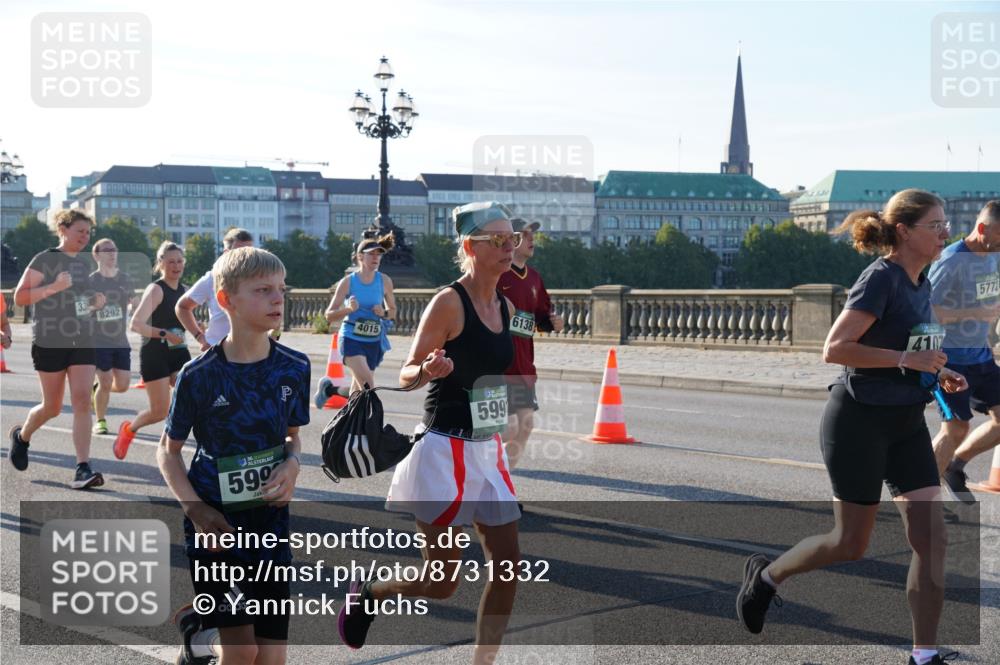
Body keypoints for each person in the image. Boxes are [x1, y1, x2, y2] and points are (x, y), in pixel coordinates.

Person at [736, 189, 967, 665]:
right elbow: (835, 348)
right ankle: (768, 577)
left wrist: (935, 369)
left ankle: (924, 654)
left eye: (946, 224)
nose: (946, 232)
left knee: (932, 537)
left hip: (906, 422)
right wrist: (907, 358)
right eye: (936, 225)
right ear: (904, 231)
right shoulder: (880, 278)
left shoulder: (921, 281)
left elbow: (908, 346)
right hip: (858, 421)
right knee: (850, 543)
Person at [338, 202, 522, 665]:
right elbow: (404, 373)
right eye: (498, 240)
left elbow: (498, 365)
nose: (509, 247)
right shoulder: (448, 302)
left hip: (486, 448)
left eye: (512, 239)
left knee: (509, 567)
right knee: (441, 582)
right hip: (443, 450)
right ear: (470, 247)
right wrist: (429, 369)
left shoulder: (508, 304)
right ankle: (370, 593)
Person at [157, 246, 308, 665]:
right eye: (262, 290)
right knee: (242, 654)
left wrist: (293, 463)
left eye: (280, 288)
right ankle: (205, 635)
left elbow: (292, 438)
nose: (278, 298)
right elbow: (167, 453)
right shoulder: (199, 375)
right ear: (226, 300)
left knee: (271, 659)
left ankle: (198, 633)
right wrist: (197, 512)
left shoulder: (294, 367)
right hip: (216, 528)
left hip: (270, 526)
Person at [8, 209, 106, 489]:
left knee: (81, 401)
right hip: (50, 339)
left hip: (82, 338)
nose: (85, 238)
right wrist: (54, 286)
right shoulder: (45, 258)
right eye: (80, 232)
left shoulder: (84, 264)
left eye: (88, 233)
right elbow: (21, 297)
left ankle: (82, 468)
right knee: (52, 406)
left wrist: (96, 301)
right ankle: (23, 436)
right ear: (63, 229)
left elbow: (82, 300)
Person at [928, 200, 1000, 504]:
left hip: (981, 356)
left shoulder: (993, 256)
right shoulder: (951, 260)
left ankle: (955, 467)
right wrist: (976, 312)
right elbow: (927, 311)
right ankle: (919, 500)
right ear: (982, 228)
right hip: (949, 359)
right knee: (956, 427)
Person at [114, 241, 190, 460]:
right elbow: (136, 324)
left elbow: (188, 319)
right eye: (171, 262)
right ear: (161, 264)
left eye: (179, 261)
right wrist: (165, 334)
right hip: (155, 354)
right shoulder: (156, 289)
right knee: (159, 411)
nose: (176, 266)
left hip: (179, 352)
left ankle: (168, 447)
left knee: (193, 395)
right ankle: (129, 429)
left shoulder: (185, 291)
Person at [498, 217, 563, 469]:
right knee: (506, 427)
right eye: (526, 234)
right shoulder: (496, 273)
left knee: (525, 426)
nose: (532, 239)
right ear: (511, 240)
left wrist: (552, 323)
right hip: (497, 366)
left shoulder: (534, 278)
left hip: (523, 366)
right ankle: (464, 459)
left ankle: (500, 485)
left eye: (532, 234)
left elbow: (541, 317)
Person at [314, 232, 396, 404]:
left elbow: (393, 311)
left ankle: (329, 391)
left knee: (357, 392)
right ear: (360, 256)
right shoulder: (348, 282)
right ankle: (370, 427)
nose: (376, 258)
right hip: (351, 338)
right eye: (371, 254)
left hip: (373, 341)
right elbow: (329, 315)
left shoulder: (385, 281)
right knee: (368, 386)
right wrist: (348, 309)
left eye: (378, 254)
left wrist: (384, 313)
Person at [175, 228, 254, 353]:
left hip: (251, 352)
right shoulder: (212, 278)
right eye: (239, 252)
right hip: (218, 351)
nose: (245, 258)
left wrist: (273, 335)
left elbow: (274, 311)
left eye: (249, 252)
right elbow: (182, 307)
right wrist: (200, 337)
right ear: (226, 252)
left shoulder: (260, 279)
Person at [89, 238, 138, 435]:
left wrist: (137, 304)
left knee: (124, 385)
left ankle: (98, 390)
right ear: (97, 255)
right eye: (107, 250)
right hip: (97, 339)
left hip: (119, 339)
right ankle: (100, 420)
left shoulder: (124, 278)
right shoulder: (91, 280)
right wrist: (94, 306)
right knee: (107, 381)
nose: (112, 253)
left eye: (114, 249)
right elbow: (78, 308)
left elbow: (133, 300)